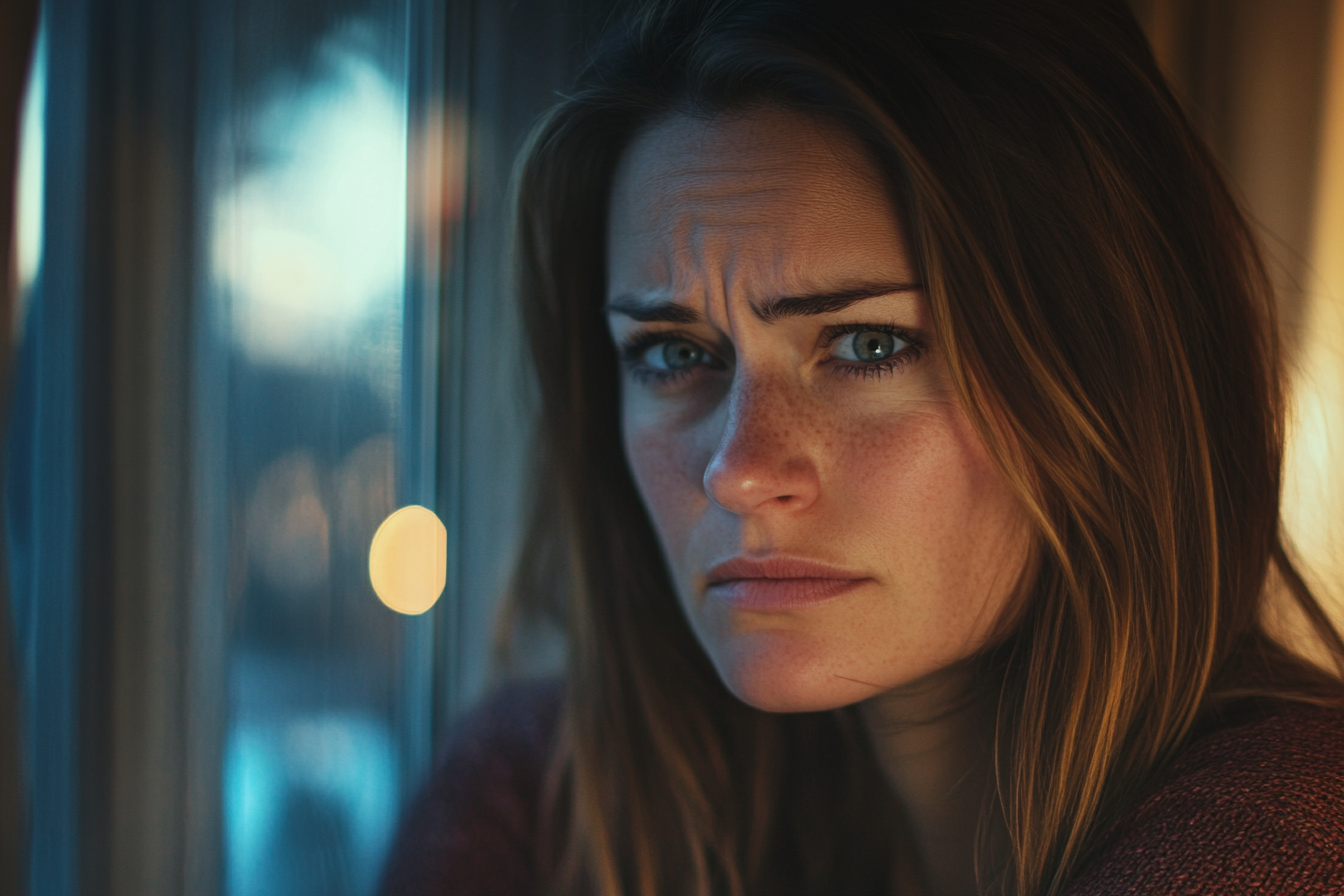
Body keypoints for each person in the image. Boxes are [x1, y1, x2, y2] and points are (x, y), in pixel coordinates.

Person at [377, 1, 1344, 894]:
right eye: (676, 354)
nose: (741, 471)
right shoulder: (540, 804)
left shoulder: (1289, 833)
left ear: (1109, 371)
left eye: (870, 345)